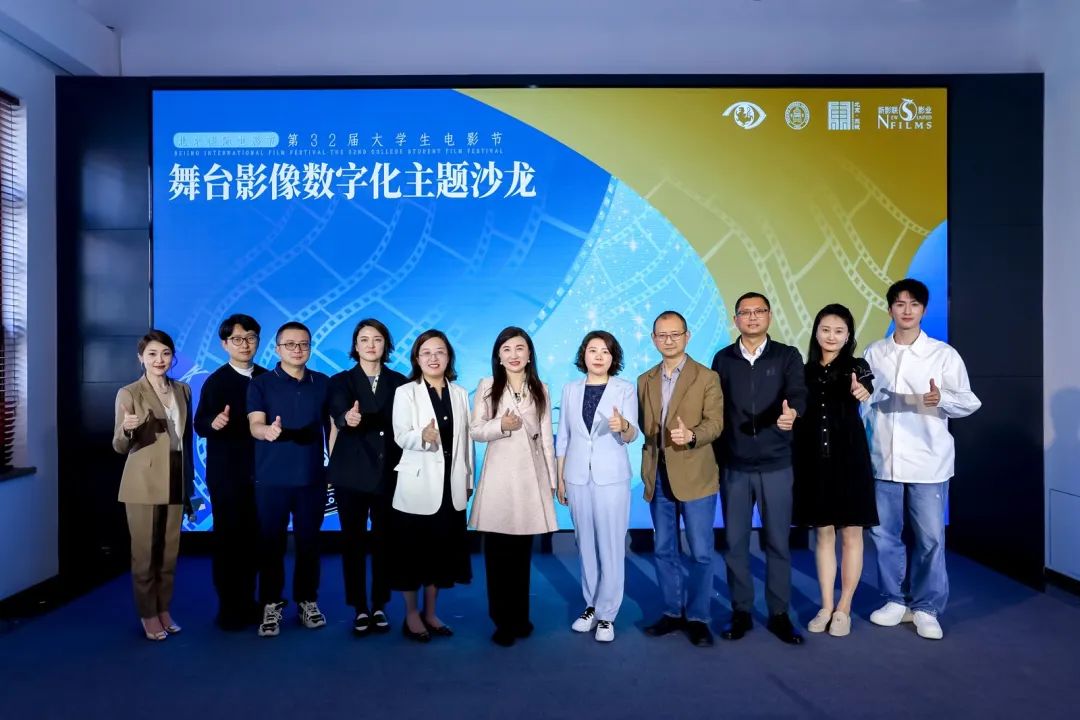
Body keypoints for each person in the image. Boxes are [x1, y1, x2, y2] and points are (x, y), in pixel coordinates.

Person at [864, 278, 981, 640]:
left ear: (924, 310)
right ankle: (894, 600)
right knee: (885, 535)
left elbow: (969, 402)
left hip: (929, 462)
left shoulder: (943, 354)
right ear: (890, 309)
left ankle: (927, 607)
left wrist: (940, 399)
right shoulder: (874, 352)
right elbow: (864, 399)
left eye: (914, 304)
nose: (907, 310)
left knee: (930, 538)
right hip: (883, 459)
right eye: (900, 304)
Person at [711, 292, 808, 645]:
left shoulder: (787, 355)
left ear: (769, 315)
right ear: (735, 319)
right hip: (735, 465)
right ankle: (741, 611)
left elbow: (798, 393)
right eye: (745, 312)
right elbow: (715, 406)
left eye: (759, 311)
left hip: (776, 463)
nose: (752, 317)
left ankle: (779, 613)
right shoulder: (723, 359)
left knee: (778, 542)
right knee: (735, 542)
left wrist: (792, 413)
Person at [637, 310, 724, 648]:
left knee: (701, 552)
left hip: (696, 474)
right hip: (658, 474)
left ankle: (698, 617)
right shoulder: (644, 379)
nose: (669, 340)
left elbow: (715, 423)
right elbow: (644, 427)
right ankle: (672, 612)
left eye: (675, 334)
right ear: (653, 339)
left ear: (687, 336)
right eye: (662, 335)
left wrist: (691, 436)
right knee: (663, 548)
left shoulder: (707, 377)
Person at [792, 304, 878, 637]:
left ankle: (844, 608)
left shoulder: (858, 366)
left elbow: (866, 385)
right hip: (813, 462)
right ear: (816, 332)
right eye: (826, 329)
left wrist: (862, 389)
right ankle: (826, 605)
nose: (831, 336)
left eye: (839, 331)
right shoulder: (803, 371)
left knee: (852, 535)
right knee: (823, 534)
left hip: (850, 460)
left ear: (848, 335)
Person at [469, 326, 559, 647]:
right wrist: (501, 425)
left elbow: (546, 438)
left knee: (522, 554)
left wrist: (552, 480)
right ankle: (502, 621)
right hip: (498, 477)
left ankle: (520, 617)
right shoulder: (487, 386)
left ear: (529, 353)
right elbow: (475, 430)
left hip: (530, 478)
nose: (514, 355)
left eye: (519, 348)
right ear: (498, 356)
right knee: (497, 555)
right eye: (506, 349)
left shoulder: (541, 388)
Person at [247, 321, 331, 637]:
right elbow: (254, 424)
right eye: (290, 344)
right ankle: (271, 604)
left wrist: (335, 463)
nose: (298, 350)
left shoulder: (322, 382)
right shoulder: (261, 384)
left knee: (310, 543)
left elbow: (332, 428)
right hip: (272, 479)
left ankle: (307, 600)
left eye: (304, 344)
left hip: (311, 478)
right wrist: (266, 431)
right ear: (277, 349)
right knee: (271, 544)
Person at [388, 329, 473, 643]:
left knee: (440, 555)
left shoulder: (460, 393)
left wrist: (467, 479)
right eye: (426, 352)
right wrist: (422, 437)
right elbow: (400, 435)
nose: (433, 358)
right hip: (417, 486)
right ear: (417, 358)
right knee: (412, 556)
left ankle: (431, 612)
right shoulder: (406, 392)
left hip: (451, 487)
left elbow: (466, 443)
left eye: (440, 352)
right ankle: (412, 614)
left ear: (449, 356)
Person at [112, 329, 196, 641]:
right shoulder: (129, 393)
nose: (159, 359)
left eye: (165, 353)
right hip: (143, 481)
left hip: (176, 475)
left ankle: (164, 609)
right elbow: (119, 446)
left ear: (173, 357)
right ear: (141, 358)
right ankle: (148, 614)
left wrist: (189, 484)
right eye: (152, 354)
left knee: (169, 553)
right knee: (145, 555)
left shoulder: (183, 390)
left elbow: (186, 440)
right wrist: (127, 429)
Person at [555, 330, 638, 643]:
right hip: (577, 477)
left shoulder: (624, 389)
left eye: (605, 351)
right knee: (585, 543)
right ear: (584, 355)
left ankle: (607, 615)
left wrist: (623, 426)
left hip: (611, 478)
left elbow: (631, 434)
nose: (599, 356)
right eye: (593, 350)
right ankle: (591, 606)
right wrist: (560, 478)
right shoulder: (570, 390)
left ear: (613, 357)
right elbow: (564, 437)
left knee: (611, 545)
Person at [326, 318, 407, 635]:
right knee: (353, 541)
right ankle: (359, 606)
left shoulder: (400, 382)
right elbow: (338, 414)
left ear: (386, 345)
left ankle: (379, 604)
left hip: (388, 472)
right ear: (355, 346)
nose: (371, 345)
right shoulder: (341, 381)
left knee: (386, 540)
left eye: (377, 339)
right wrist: (347, 417)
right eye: (364, 339)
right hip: (351, 473)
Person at [193, 313, 267, 631]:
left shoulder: (267, 377)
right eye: (237, 339)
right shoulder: (217, 381)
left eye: (250, 338)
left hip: (262, 474)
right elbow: (199, 423)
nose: (245, 344)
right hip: (228, 476)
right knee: (229, 541)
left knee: (255, 540)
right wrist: (214, 423)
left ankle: (250, 601)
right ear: (225, 344)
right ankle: (229, 607)